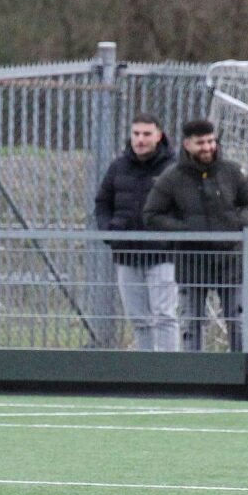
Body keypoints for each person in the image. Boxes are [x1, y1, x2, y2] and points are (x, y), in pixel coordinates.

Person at [143, 119, 248, 351]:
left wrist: (237, 224)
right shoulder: (172, 178)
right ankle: (192, 376)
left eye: (210, 141)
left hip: (230, 262)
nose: (207, 147)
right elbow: (152, 214)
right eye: (201, 143)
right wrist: (185, 232)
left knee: (237, 322)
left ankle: (240, 373)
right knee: (192, 323)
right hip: (191, 262)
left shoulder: (233, 172)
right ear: (187, 144)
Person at [94, 113, 178, 351]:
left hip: (163, 256)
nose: (140, 139)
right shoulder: (118, 167)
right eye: (136, 134)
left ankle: (169, 373)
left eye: (146, 134)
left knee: (164, 316)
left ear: (159, 135)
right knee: (139, 319)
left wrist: (170, 234)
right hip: (127, 254)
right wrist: (109, 231)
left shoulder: (174, 168)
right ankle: (147, 373)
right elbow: (102, 202)